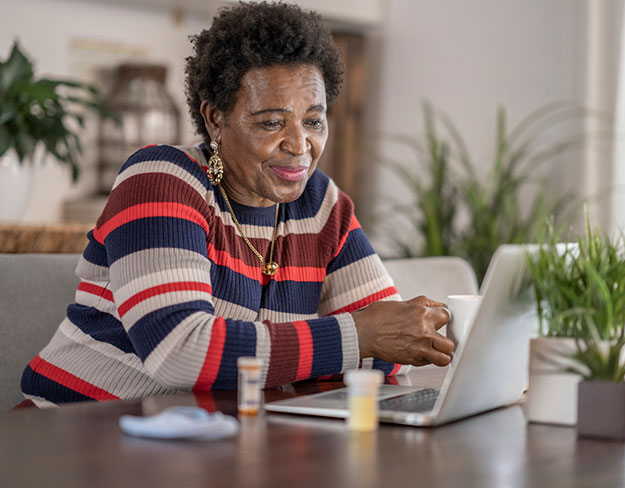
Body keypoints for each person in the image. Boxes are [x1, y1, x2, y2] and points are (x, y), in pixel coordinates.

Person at [21, 1, 453, 406]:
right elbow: (182, 352)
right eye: (271, 122)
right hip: (71, 434)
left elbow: (392, 348)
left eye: (314, 121)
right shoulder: (161, 179)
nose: (300, 145)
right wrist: (356, 336)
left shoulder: (322, 205)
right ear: (214, 118)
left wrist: (377, 337)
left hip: (201, 446)